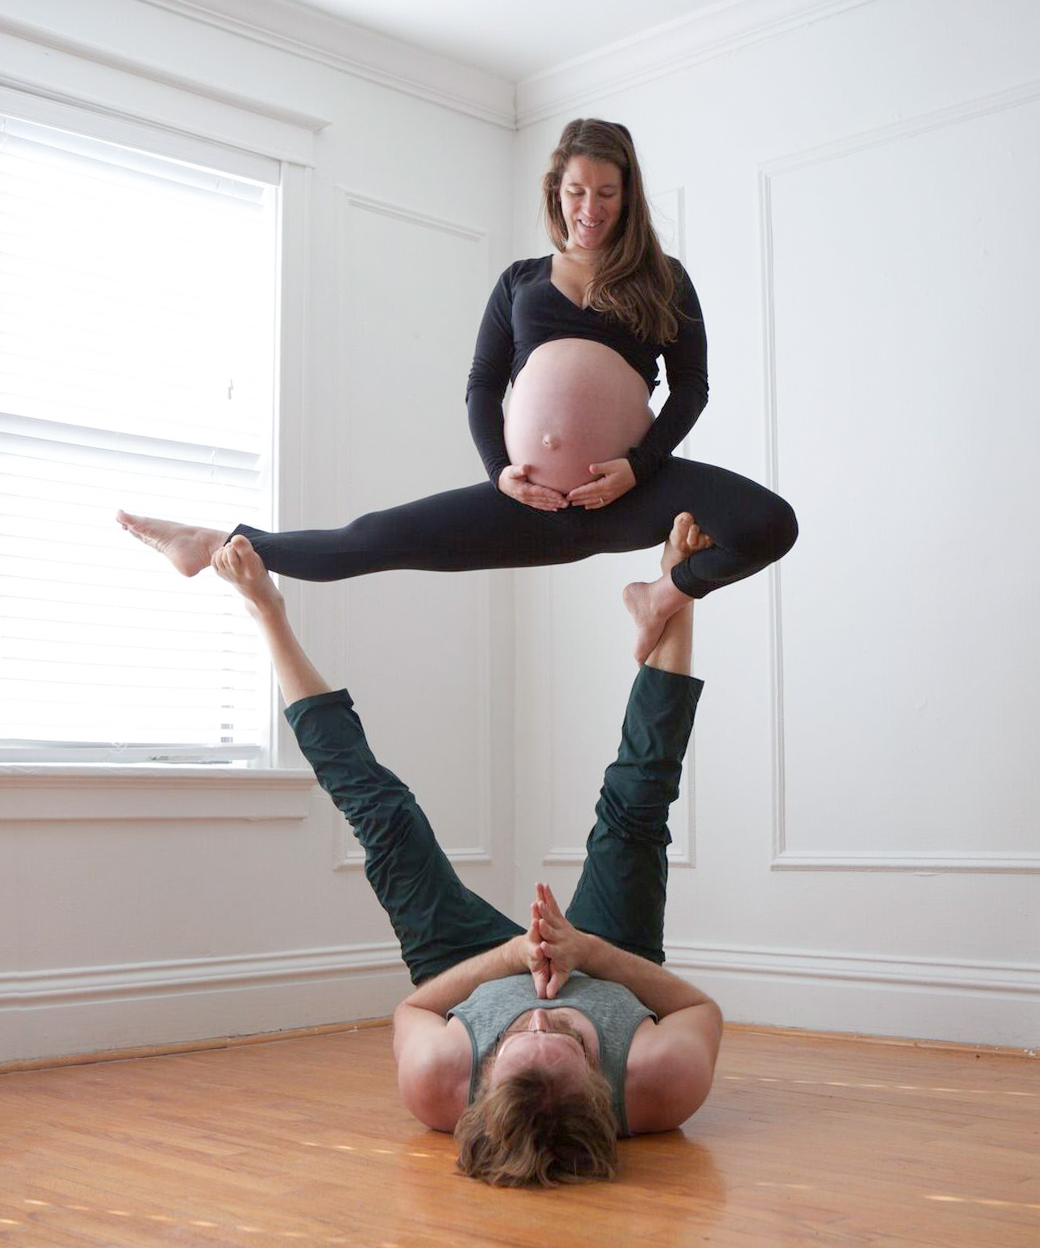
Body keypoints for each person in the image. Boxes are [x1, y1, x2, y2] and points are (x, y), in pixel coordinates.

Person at [117, 118, 797, 662]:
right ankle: (213, 542)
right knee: (373, 538)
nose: (590, 208)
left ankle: (658, 598)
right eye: (577, 191)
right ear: (556, 190)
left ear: (628, 195)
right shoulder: (520, 280)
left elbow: (691, 390)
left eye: (607, 193)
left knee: (770, 524)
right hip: (530, 501)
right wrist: (500, 475)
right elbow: (480, 386)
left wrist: (637, 468)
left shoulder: (663, 278)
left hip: (629, 492)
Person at [209, 513, 723, 1187]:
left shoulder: (434, 1082)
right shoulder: (662, 1083)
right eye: (566, 1035)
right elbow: (699, 1011)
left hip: (469, 969)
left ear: (479, 1080)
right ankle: (674, 593)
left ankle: (268, 611)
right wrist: (588, 955)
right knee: (635, 807)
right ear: (603, 1088)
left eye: (518, 1035)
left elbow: (414, 1009)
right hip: (611, 967)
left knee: (385, 819)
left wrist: (510, 959)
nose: (541, 1008)